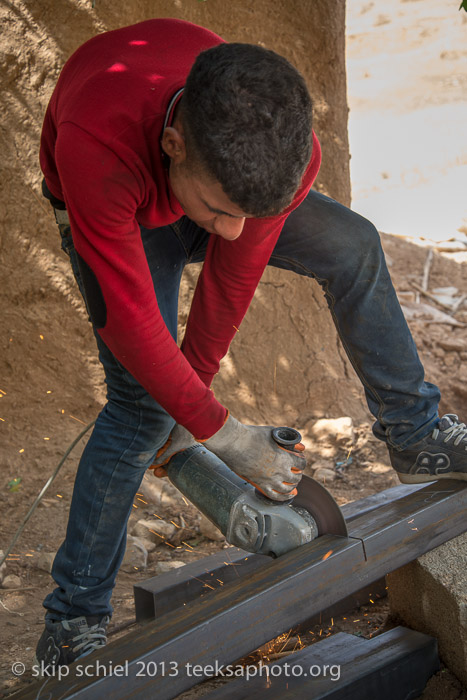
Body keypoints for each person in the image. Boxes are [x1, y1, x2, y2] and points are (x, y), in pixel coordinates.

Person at [35, 18, 466, 669]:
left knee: (350, 245)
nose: (234, 235)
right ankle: (73, 619)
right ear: (175, 144)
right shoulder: (98, 145)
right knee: (139, 407)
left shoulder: (277, 157)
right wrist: (224, 434)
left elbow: (228, 279)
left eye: (252, 215)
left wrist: (197, 406)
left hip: (216, 179)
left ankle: (415, 434)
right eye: (221, 214)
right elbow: (129, 325)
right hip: (118, 205)